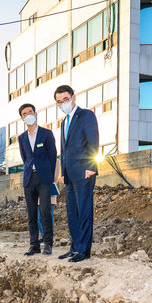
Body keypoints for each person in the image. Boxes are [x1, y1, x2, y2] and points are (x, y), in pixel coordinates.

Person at [54, 84, 99, 263]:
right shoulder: (64, 121)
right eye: (59, 101)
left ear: (73, 97)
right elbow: (63, 150)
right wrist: (63, 172)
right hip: (69, 174)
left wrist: (91, 166)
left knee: (84, 211)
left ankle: (84, 250)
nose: (63, 103)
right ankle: (74, 248)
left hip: (84, 171)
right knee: (72, 212)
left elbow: (93, 142)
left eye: (66, 99)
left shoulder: (86, 115)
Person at [17, 103, 57, 255]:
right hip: (29, 178)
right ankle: (34, 244)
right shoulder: (21, 138)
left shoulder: (46, 134)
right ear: (22, 118)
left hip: (44, 178)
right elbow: (25, 157)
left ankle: (48, 243)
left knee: (45, 211)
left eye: (30, 112)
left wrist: (50, 175)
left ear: (35, 113)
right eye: (25, 114)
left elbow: (53, 156)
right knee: (31, 213)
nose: (28, 115)